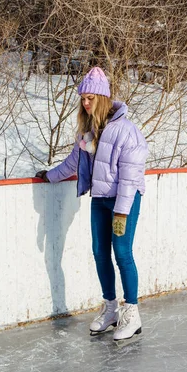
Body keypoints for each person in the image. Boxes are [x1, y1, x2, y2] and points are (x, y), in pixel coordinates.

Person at [35, 67, 148, 341]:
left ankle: (131, 313)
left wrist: (121, 211)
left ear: (103, 97)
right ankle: (110, 308)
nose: (85, 103)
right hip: (99, 199)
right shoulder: (88, 132)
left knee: (122, 253)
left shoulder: (126, 131)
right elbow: (74, 162)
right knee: (100, 252)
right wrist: (50, 176)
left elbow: (131, 176)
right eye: (83, 98)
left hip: (124, 200)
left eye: (90, 98)